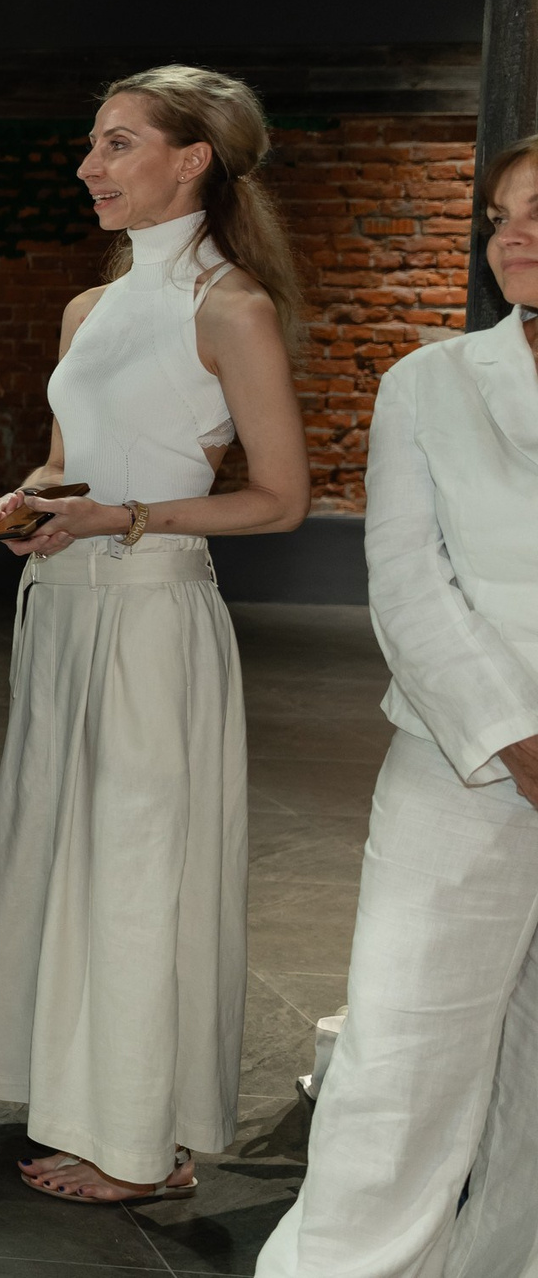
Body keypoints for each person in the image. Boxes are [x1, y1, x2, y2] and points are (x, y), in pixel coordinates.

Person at [0, 68, 313, 1204]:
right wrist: (28, 502)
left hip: (153, 614)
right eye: (90, 143)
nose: (89, 166)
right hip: (65, 610)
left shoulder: (232, 309)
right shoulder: (91, 305)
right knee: (68, 857)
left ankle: (147, 1147)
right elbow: (68, 458)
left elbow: (278, 498)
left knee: (136, 872)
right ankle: (90, 1107)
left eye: (117, 145)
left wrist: (121, 518)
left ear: (191, 159)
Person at [254, 134, 538, 1277]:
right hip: (458, 762)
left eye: (537, 211)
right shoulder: (427, 382)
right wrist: (515, 740)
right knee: (401, 1056)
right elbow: (410, 586)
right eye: (500, 215)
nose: (509, 233)